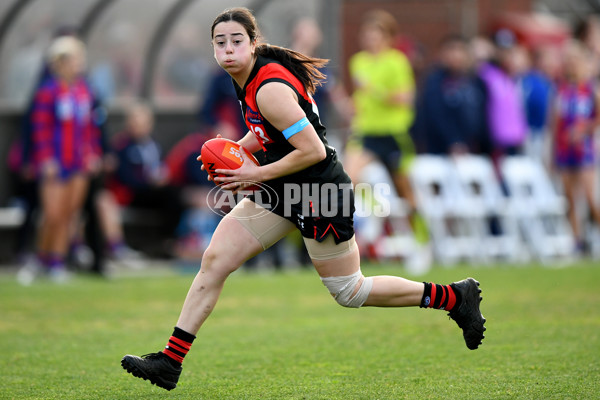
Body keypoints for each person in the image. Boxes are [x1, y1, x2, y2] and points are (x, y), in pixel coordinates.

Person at [120, 7, 486, 391]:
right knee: (214, 260)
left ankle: (453, 297)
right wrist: (234, 151)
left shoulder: (267, 87)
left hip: (317, 190)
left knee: (350, 291)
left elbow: (312, 150)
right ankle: (170, 361)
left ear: (254, 44)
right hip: (281, 188)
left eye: (236, 41)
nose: (228, 49)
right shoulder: (244, 77)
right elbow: (266, 133)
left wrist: (252, 173)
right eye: (220, 42)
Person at [17, 36, 102, 284]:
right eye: (75, 59)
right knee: (52, 213)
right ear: (61, 62)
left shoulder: (83, 91)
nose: (80, 64)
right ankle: (39, 258)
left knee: (70, 214)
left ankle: (57, 261)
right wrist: (45, 159)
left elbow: (90, 128)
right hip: (55, 162)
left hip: (78, 162)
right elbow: (40, 128)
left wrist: (92, 153)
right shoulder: (48, 92)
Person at [552, 40, 600, 253]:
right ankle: (577, 241)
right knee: (570, 198)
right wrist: (553, 151)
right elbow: (555, 122)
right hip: (565, 150)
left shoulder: (591, 89)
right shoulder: (562, 89)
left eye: (576, 61)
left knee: (590, 197)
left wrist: (584, 130)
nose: (572, 65)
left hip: (585, 150)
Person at [414, 34, 489, 156]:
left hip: (474, 150)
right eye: (450, 50)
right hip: (441, 151)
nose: (455, 55)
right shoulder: (434, 81)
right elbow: (435, 115)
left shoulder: (477, 82)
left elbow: (483, 118)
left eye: (460, 50)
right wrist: (454, 142)